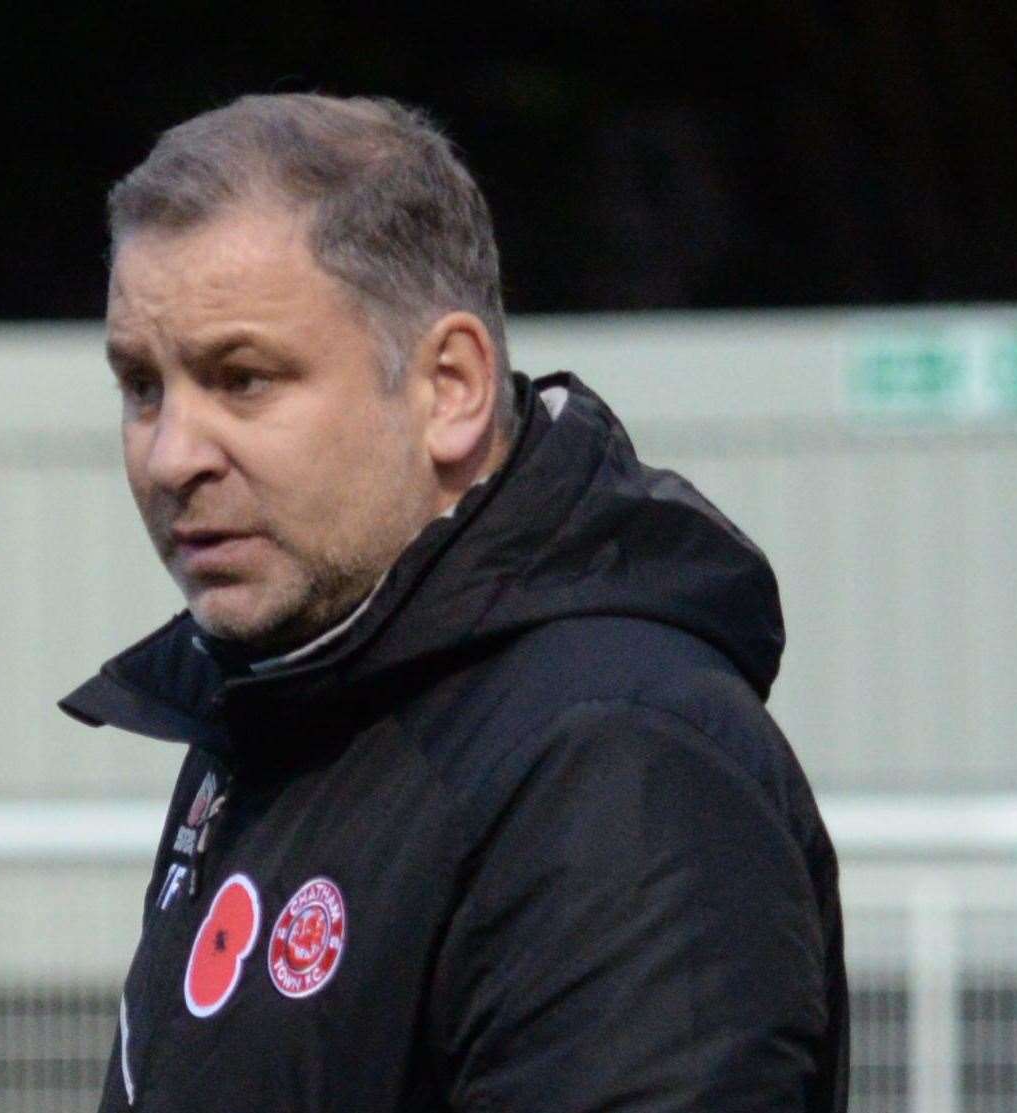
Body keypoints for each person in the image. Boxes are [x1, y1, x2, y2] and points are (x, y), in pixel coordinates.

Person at [60, 93, 848, 1112]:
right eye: (141, 387)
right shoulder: (280, 702)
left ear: (449, 387)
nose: (172, 455)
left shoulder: (617, 761)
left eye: (242, 379)